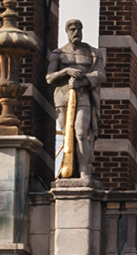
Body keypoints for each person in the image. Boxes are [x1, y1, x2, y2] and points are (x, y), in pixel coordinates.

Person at [44, 20, 103, 180]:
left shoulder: (92, 53)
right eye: (72, 29)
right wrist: (66, 71)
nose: (76, 32)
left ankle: (84, 171)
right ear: (67, 31)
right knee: (67, 134)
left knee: (82, 132)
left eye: (79, 29)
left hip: (83, 94)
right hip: (63, 97)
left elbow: (100, 75)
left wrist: (83, 81)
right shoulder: (59, 53)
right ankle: (69, 168)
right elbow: (49, 78)